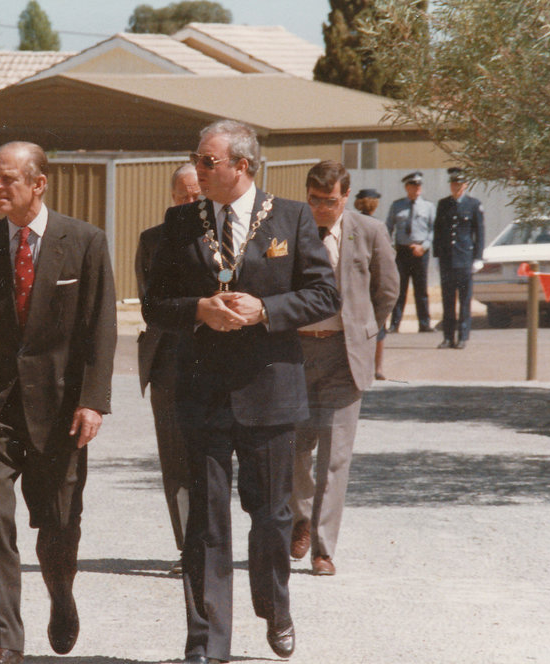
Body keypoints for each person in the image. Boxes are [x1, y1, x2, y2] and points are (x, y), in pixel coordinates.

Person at [143, 120, 340, 663]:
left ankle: (276, 606)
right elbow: (154, 304)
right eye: (198, 160)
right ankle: (207, 641)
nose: (198, 170)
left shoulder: (292, 217)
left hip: (269, 389)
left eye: (208, 162)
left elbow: (325, 294)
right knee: (205, 519)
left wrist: (268, 311)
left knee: (272, 514)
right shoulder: (181, 221)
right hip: (202, 391)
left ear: (242, 166)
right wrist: (197, 311)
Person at [0, 141, 117, 664]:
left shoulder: (84, 241)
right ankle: (5, 642)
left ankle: (61, 595)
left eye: (8, 180)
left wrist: (93, 402)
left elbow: (100, 328)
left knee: (59, 526)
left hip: (61, 410)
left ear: (38, 184)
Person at [290, 162, 398, 577]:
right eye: (314, 200)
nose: (320, 209)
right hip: (295, 353)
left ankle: (322, 547)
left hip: (344, 355)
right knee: (294, 452)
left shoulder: (369, 231)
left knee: (335, 457)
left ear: (345, 196)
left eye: (329, 201)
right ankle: (299, 520)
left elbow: (386, 290)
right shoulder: (291, 228)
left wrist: (363, 329)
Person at [136, 163, 200, 575]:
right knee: (175, 460)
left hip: (218, 361)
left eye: (198, 196)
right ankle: (189, 549)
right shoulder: (152, 241)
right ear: (172, 198)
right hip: (169, 362)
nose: (191, 203)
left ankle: (213, 542)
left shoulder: (228, 235)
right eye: (183, 197)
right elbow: (150, 304)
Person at [433, 167, 485, 350]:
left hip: (464, 259)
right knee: (448, 301)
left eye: (460, 183)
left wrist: (478, 257)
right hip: (447, 260)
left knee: (464, 301)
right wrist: (436, 256)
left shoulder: (473, 204)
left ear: (466, 185)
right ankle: (448, 337)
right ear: (450, 185)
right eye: (454, 183)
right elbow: (438, 232)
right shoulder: (443, 204)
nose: (457, 187)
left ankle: (462, 336)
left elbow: (479, 233)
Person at [386, 172, 436, 333]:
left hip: (420, 252)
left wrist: (424, 246)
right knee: (399, 289)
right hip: (402, 252)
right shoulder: (397, 205)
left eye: (419, 185)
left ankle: (424, 323)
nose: (417, 188)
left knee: (421, 289)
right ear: (407, 187)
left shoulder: (428, 206)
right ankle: (394, 324)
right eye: (414, 186)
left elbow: (433, 230)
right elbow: (388, 228)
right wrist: (392, 247)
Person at [355, 189, 388, 380]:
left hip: (358, 279)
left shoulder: (352, 223)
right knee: (378, 325)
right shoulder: (377, 225)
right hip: (372, 279)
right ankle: (378, 368)